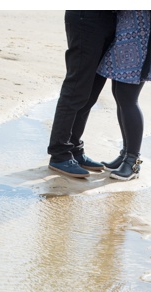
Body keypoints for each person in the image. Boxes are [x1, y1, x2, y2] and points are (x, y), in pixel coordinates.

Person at [97, 10, 151, 181]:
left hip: (142, 36)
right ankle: (126, 154)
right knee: (119, 94)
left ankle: (132, 162)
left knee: (127, 97)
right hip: (129, 34)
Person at [47, 10, 117, 179]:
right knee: (77, 87)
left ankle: (74, 149)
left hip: (111, 18)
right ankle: (60, 153)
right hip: (87, 17)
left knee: (92, 92)